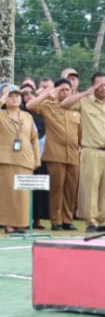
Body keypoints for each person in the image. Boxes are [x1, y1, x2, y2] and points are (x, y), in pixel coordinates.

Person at [60, 71, 105, 230]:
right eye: (100, 85)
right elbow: (64, 104)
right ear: (93, 86)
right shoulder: (85, 102)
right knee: (91, 187)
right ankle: (92, 221)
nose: (104, 88)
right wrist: (86, 93)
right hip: (91, 151)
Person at [27, 79, 81, 231]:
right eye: (61, 90)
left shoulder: (76, 109)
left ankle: (67, 220)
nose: (64, 92)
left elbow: (80, 133)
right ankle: (56, 221)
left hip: (73, 155)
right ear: (56, 91)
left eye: (67, 90)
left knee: (71, 189)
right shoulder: (48, 107)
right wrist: (47, 92)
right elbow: (30, 105)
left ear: (72, 91)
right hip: (55, 155)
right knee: (57, 189)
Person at [0, 84, 41, 234]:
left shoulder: (27, 116)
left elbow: (34, 138)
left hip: (25, 159)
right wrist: (1, 100)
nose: (14, 98)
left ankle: (22, 223)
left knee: (23, 194)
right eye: (10, 95)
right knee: (9, 193)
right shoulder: (1, 114)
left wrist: (37, 159)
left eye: (17, 95)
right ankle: (9, 224)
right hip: (6, 159)